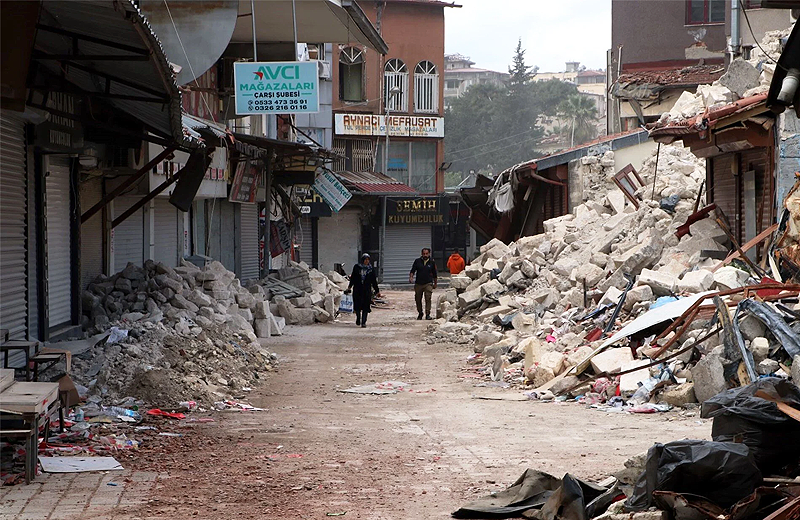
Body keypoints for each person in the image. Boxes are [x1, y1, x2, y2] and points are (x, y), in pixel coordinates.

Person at [345, 253, 381, 328]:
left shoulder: (370, 270)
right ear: (362, 260)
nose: (367, 261)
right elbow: (353, 278)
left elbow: (373, 281)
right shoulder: (357, 267)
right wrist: (349, 287)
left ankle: (364, 322)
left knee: (366, 306)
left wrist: (377, 291)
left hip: (367, 291)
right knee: (357, 305)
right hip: (358, 290)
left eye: (368, 260)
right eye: (365, 259)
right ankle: (358, 318)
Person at [409, 247, 437, 320]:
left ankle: (428, 314)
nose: (425, 255)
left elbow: (435, 274)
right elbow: (413, 270)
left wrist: (435, 283)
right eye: (424, 254)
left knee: (428, 298)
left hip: (428, 283)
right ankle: (420, 313)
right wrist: (411, 277)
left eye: (426, 254)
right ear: (421, 254)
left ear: (429, 254)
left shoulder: (432, 262)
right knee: (418, 299)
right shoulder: (417, 261)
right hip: (419, 283)